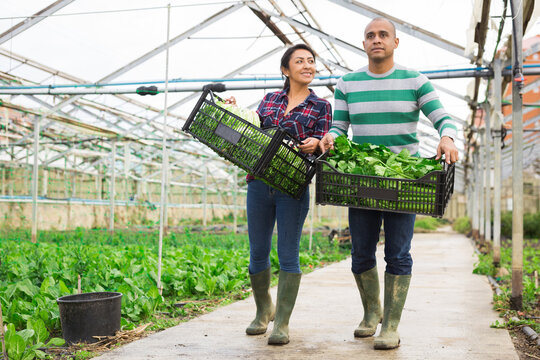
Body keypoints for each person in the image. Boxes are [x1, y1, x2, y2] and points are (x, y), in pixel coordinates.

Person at [319, 17, 459, 350]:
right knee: (360, 254)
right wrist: (330, 137)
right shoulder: (348, 84)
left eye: (383, 35)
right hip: (361, 181)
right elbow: (339, 127)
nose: (376, 40)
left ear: (396, 43)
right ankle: (371, 314)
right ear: (364, 44)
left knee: (398, 255)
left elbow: (443, 117)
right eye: (370, 36)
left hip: (403, 183)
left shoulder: (415, 81)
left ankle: (391, 326)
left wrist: (448, 137)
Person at [236, 44, 332, 345]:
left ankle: (283, 323)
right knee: (257, 252)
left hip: (293, 185)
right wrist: (233, 106)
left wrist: (317, 141)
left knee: (288, 253)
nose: (308, 65)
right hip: (259, 181)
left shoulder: (321, 107)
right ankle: (264, 311)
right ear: (285, 70)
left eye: (311, 61)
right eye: (300, 61)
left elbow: (328, 140)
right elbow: (253, 129)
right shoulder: (269, 100)